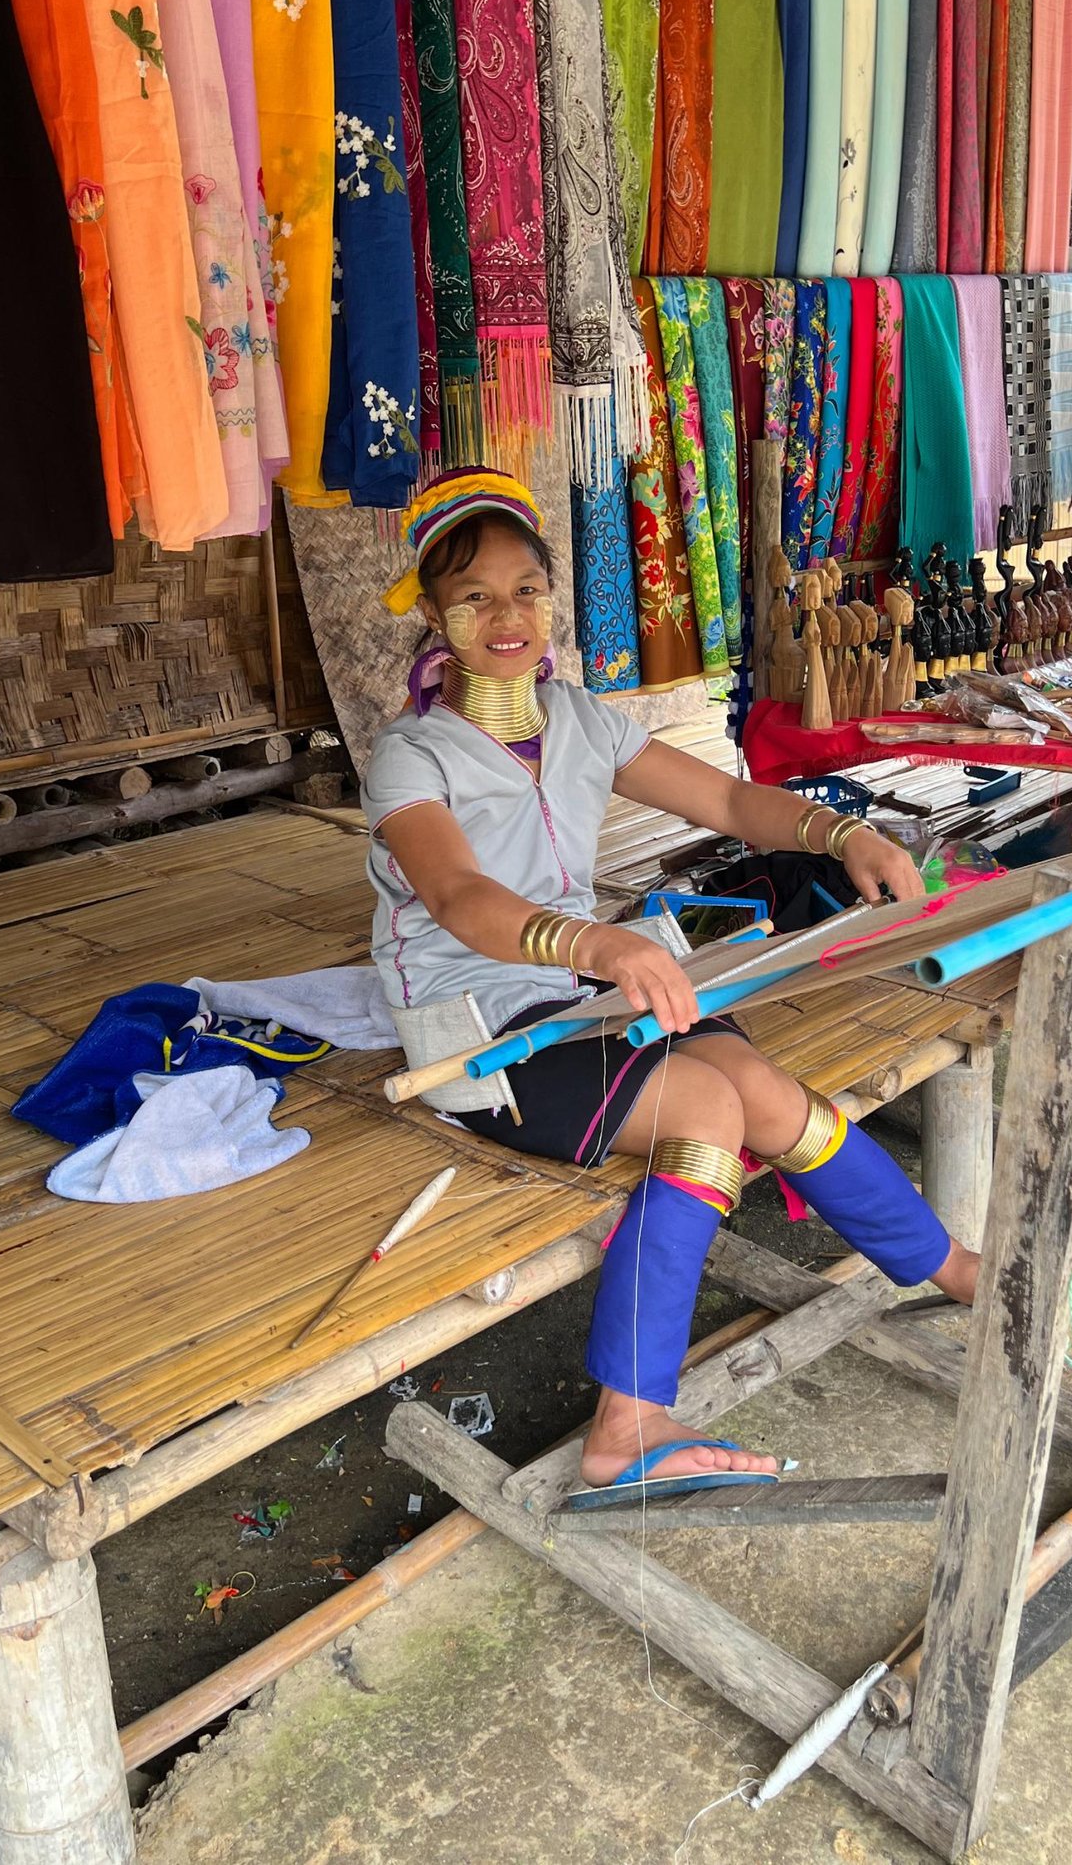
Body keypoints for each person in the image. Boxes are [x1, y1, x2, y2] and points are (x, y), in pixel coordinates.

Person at [363, 469, 978, 1498]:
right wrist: (599, 945)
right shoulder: (410, 754)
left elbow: (731, 804)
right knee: (705, 1107)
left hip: (585, 994)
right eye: (474, 597)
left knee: (764, 1093)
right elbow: (459, 897)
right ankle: (626, 1425)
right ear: (433, 614)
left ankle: (951, 1267)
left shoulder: (581, 719)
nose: (507, 617)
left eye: (526, 590)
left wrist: (844, 833)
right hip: (478, 1029)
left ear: (553, 600)